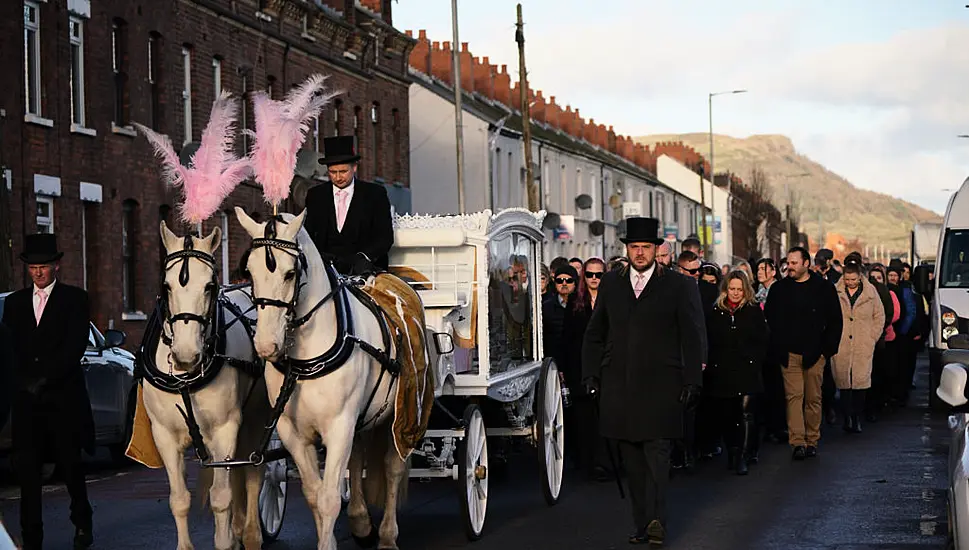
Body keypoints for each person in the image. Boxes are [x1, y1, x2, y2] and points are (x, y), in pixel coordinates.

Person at [582, 217, 705, 546]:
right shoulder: (611, 283)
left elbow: (693, 336)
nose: (639, 253)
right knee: (632, 463)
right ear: (626, 249)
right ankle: (641, 524)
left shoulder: (679, 286)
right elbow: (595, 333)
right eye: (634, 247)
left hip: (662, 386)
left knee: (658, 458)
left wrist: (693, 380)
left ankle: (657, 521)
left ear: (657, 249)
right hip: (619, 388)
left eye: (646, 247)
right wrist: (591, 374)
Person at [1, 234, 95, 549]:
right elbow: (11, 348)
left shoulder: (75, 299)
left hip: (62, 400)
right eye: (33, 267)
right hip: (27, 404)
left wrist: (45, 378)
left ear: (56, 265)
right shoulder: (14, 303)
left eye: (43, 266)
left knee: (71, 467)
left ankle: (82, 522)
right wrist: (22, 382)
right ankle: (32, 537)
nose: (38, 273)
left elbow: (74, 346)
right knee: (28, 473)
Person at [764, 246, 843, 460]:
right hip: (788, 353)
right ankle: (797, 441)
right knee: (793, 397)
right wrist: (778, 346)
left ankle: (811, 439)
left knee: (813, 398)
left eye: (793, 263)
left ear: (806, 263)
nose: (789, 267)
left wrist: (826, 351)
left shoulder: (823, 288)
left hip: (815, 353)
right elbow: (770, 319)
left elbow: (835, 320)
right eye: (788, 263)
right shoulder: (779, 290)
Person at [704, 270, 769, 475]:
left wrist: (753, 360)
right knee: (726, 415)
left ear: (745, 290)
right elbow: (709, 340)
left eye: (739, 289)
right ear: (725, 289)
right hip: (721, 372)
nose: (735, 293)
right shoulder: (716, 312)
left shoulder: (752, 311)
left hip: (746, 370)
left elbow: (763, 340)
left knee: (746, 413)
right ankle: (732, 451)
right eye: (732, 289)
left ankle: (744, 454)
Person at [304, 135, 394, 275]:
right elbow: (308, 234)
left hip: (367, 270)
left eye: (343, 171)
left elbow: (385, 236)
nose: (338, 177)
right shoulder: (315, 195)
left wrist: (364, 257)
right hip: (325, 272)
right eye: (333, 172)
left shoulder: (375, 194)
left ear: (355, 168)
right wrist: (320, 257)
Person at [562, 258, 607, 480]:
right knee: (583, 418)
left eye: (598, 275)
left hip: (606, 366)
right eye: (589, 274)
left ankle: (603, 463)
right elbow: (567, 338)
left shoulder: (612, 300)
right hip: (579, 366)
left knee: (604, 416)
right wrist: (565, 369)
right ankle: (586, 462)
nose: (594, 279)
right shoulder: (575, 302)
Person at [832, 262, 885, 434]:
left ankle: (857, 418)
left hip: (863, 343)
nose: (850, 282)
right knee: (844, 383)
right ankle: (847, 417)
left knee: (860, 384)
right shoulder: (836, 291)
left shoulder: (871, 293)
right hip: (841, 343)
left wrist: (872, 337)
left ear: (860, 277)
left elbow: (879, 316)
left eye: (853, 279)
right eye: (847, 279)